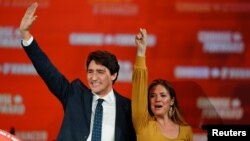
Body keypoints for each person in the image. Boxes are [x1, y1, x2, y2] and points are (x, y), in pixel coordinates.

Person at [19, 2, 136, 141]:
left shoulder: (128, 109)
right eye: (90, 71)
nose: (93, 77)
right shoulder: (75, 95)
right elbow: (48, 71)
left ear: (113, 75)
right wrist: (26, 35)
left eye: (100, 72)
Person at [132, 28, 193, 141]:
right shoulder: (143, 125)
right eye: (152, 95)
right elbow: (139, 89)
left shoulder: (186, 131)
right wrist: (141, 51)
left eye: (163, 95)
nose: (157, 99)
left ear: (172, 101)